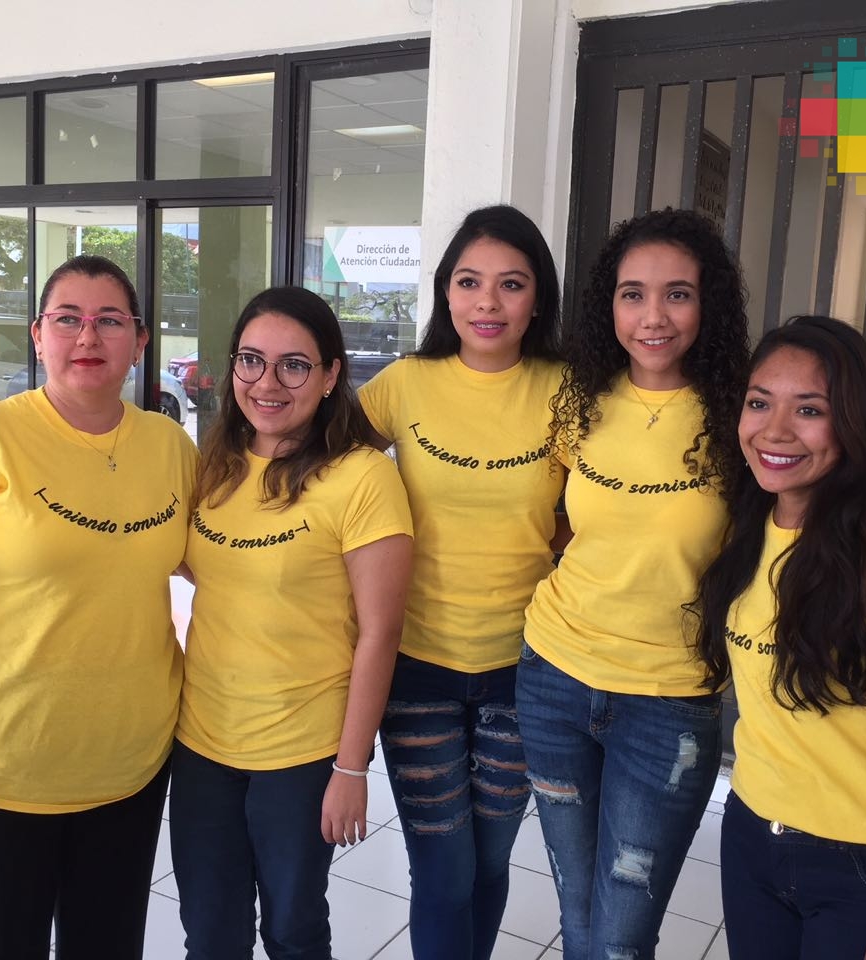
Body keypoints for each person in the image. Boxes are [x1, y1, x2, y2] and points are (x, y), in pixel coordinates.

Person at [0, 254, 197, 960]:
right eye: (68, 320)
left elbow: (216, 564)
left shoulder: (170, 447)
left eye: (110, 321)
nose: (88, 337)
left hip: (130, 767)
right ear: (37, 335)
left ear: (140, 341)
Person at [516, 208, 751, 960]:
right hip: (553, 676)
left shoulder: (741, 416)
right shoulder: (580, 398)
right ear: (607, 303)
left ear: (708, 303)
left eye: (677, 294)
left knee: (621, 936)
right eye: (632, 294)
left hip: (669, 702)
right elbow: (558, 520)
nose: (653, 316)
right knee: (577, 912)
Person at [692, 315, 866, 960]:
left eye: (808, 410)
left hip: (861, 860)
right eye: (760, 403)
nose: (775, 431)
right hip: (752, 833)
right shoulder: (748, 531)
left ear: (852, 423)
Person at [169, 286, 413, 960]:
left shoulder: (362, 478)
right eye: (251, 360)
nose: (266, 382)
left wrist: (350, 767)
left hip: (302, 754)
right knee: (209, 933)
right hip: (201, 745)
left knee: (292, 930)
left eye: (294, 365)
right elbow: (202, 573)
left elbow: (380, 633)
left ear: (332, 374)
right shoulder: (212, 466)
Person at [358, 204, 565, 960]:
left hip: (527, 670)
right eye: (470, 282)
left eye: (511, 284)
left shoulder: (566, 391)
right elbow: (331, 473)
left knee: (488, 861)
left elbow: (591, 508)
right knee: (443, 871)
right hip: (416, 669)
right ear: (445, 293)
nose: (488, 302)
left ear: (537, 298)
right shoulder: (405, 384)